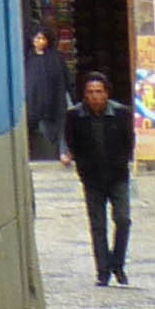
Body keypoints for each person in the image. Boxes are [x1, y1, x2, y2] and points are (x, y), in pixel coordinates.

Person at [69, 69, 136, 285]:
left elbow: (129, 142)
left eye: (99, 91)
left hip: (118, 176)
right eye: (91, 92)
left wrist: (121, 162)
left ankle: (118, 263)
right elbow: (73, 144)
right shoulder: (75, 116)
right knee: (98, 226)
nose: (95, 96)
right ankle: (103, 271)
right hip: (92, 178)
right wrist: (83, 169)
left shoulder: (121, 113)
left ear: (106, 93)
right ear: (84, 94)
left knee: (123, 219)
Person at [30, 26, 76, 160]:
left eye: (43, 38)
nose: (40, 41)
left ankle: (64, 152)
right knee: (45, 132)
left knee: (62, 127)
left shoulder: (56, 58)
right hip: (37, 104)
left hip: (57, 100)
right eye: (37, 38)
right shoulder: (28, 60)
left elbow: (66, 79)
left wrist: (70, 96)